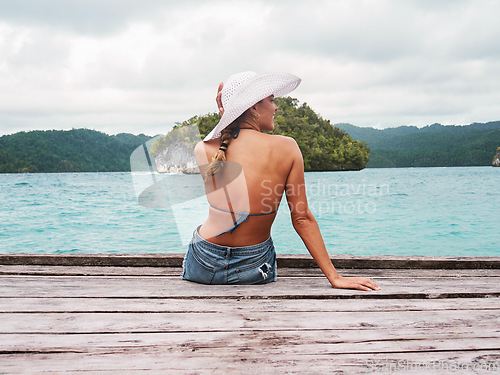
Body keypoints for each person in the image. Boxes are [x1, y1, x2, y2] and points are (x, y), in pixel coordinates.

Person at [182, 71, 380, 291]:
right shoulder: (287, 148)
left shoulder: (203, 149)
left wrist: (227, 118)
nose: (276, 107)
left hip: (203, 262)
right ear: (253, 107)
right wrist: (334, 277)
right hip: (254, 266)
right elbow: (302, 218)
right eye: (271, 100)